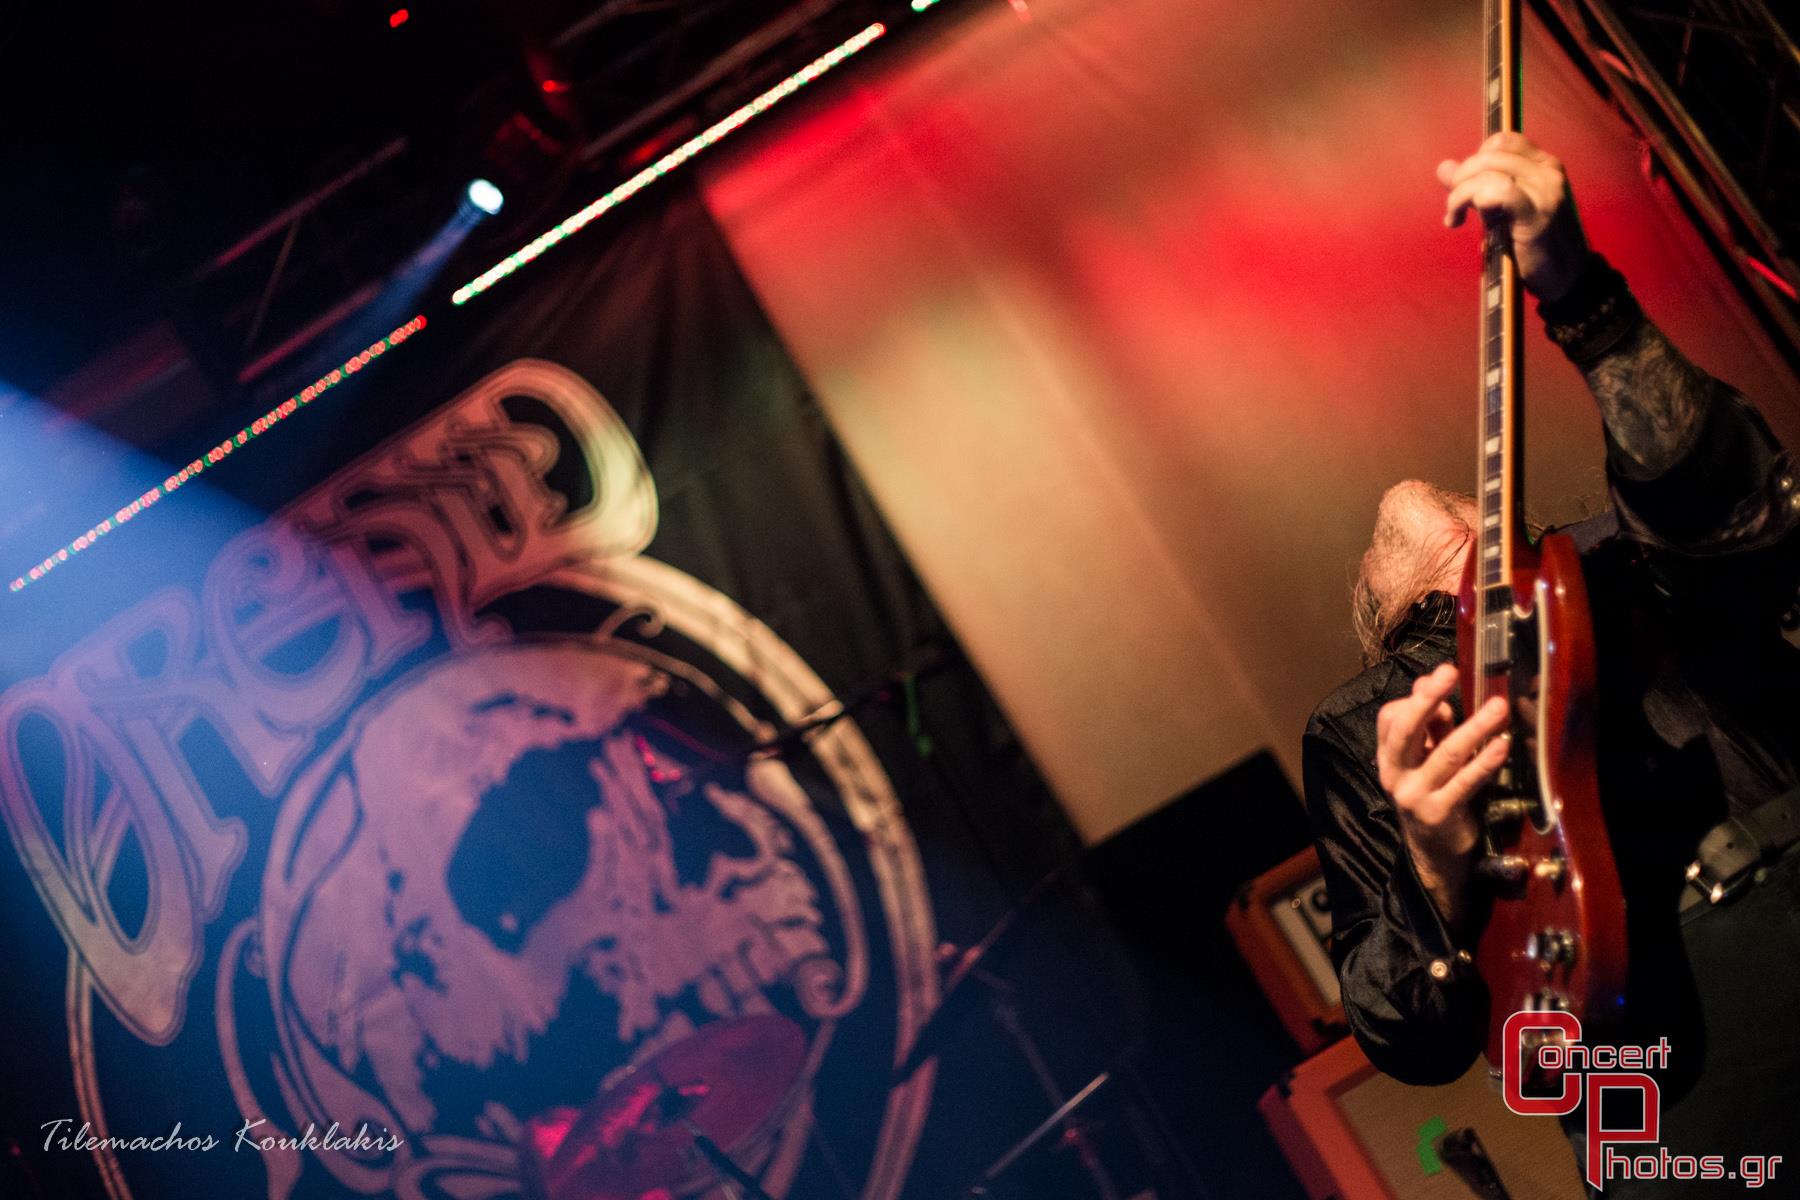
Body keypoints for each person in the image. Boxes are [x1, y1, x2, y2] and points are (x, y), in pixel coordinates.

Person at [1305, 132, 1800, 1197]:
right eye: (1422, 619)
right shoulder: (1362, 728)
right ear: (1382, 629)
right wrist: (1432, 867)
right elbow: (1402, 1030)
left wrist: (1585, 297)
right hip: (1653, 1077)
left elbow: (1746, 511)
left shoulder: (1615, 558)